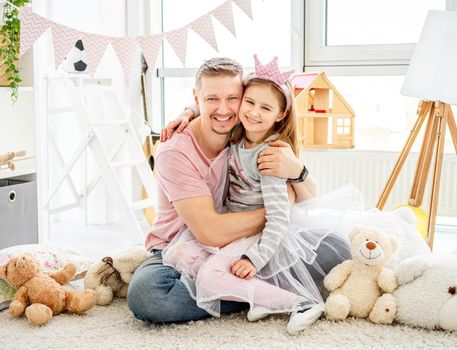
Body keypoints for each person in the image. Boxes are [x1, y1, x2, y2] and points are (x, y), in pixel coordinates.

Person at [127, 57, 351, 325]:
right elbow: (209, 232)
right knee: (148, 295)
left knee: (337, 247)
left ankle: (245, 289)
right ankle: (259, 293)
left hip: (248, 241)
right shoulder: (176, 150)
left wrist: (296, 170)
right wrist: (276, 213)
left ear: (243, 98)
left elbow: (311, 197)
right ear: (197, 97)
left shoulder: (244, 126)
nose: (223, 110)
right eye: (211, 99)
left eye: (232, 99)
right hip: (181, 247)